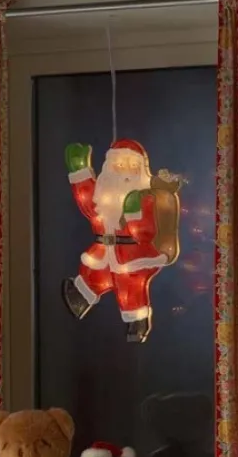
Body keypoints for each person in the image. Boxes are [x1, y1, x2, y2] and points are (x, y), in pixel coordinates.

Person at [62, 139, 179, 343]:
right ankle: (79, 300)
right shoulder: (102, 193)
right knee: (93, 275)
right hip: (103, 250)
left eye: (131, 166)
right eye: (119, 164)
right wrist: (79, 171)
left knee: (130, 288)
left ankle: (137, 325)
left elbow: (145, 232)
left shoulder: (147, 199)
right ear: (109, 167)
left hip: (132, 255)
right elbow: (88, 202)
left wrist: (134, 212)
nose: (124, 171)